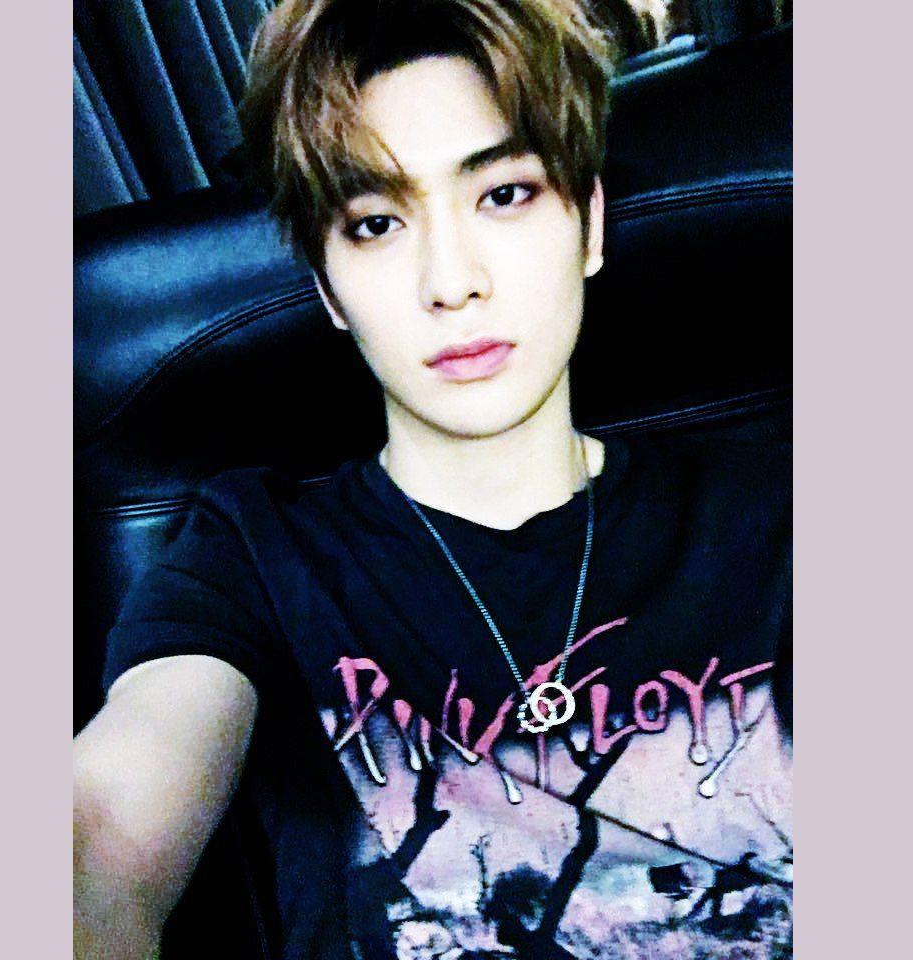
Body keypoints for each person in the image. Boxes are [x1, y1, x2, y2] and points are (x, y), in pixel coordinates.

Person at [74, 2, 792, 958]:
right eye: (376, 223)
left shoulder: (776, 507)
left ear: (587, 225)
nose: (450, 281)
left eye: (505, 194)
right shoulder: (250, 556)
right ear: (329, 286)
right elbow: (105, 827)